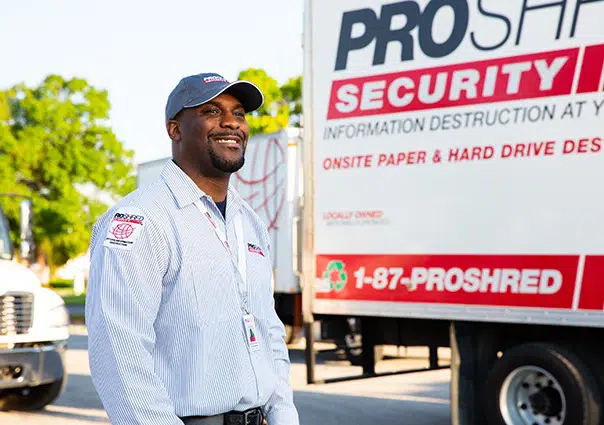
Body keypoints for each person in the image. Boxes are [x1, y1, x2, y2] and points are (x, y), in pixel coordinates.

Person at [85, 72, 300, 425]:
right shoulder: (141, 220)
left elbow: (268, 332)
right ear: (175, 129)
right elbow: (119, 355)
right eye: (212, 111)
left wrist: (283, 415)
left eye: (240, 113)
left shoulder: (250, 222)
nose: (232, 122)